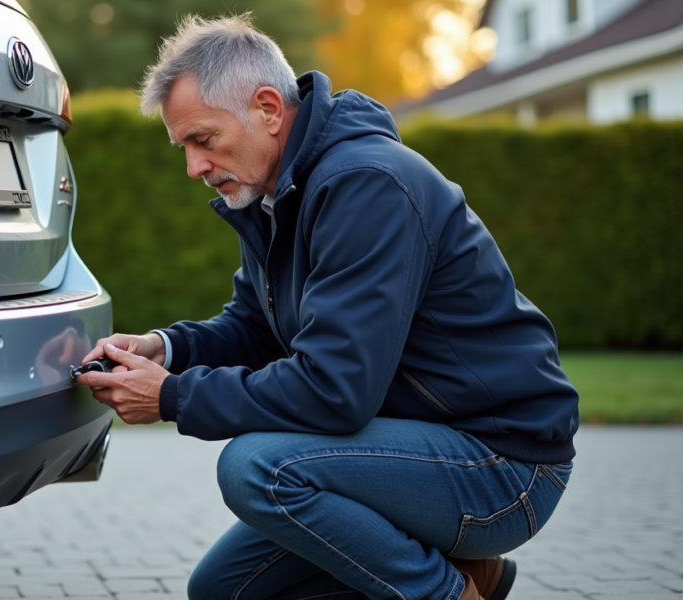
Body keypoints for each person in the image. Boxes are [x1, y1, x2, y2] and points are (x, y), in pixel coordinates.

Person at [74, 14, 578, 600]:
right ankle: (474, 577)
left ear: (267, 108)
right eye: (183, 146)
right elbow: (255, 326)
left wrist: (172, 396)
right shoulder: (275, 194)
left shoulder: (367, 185)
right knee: (224, 590)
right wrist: (168, 348)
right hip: (417, 446)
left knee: (259, 468)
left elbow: (335, 390)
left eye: (203, 140)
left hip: (502, 463)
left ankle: (446, 594)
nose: (194, 167)